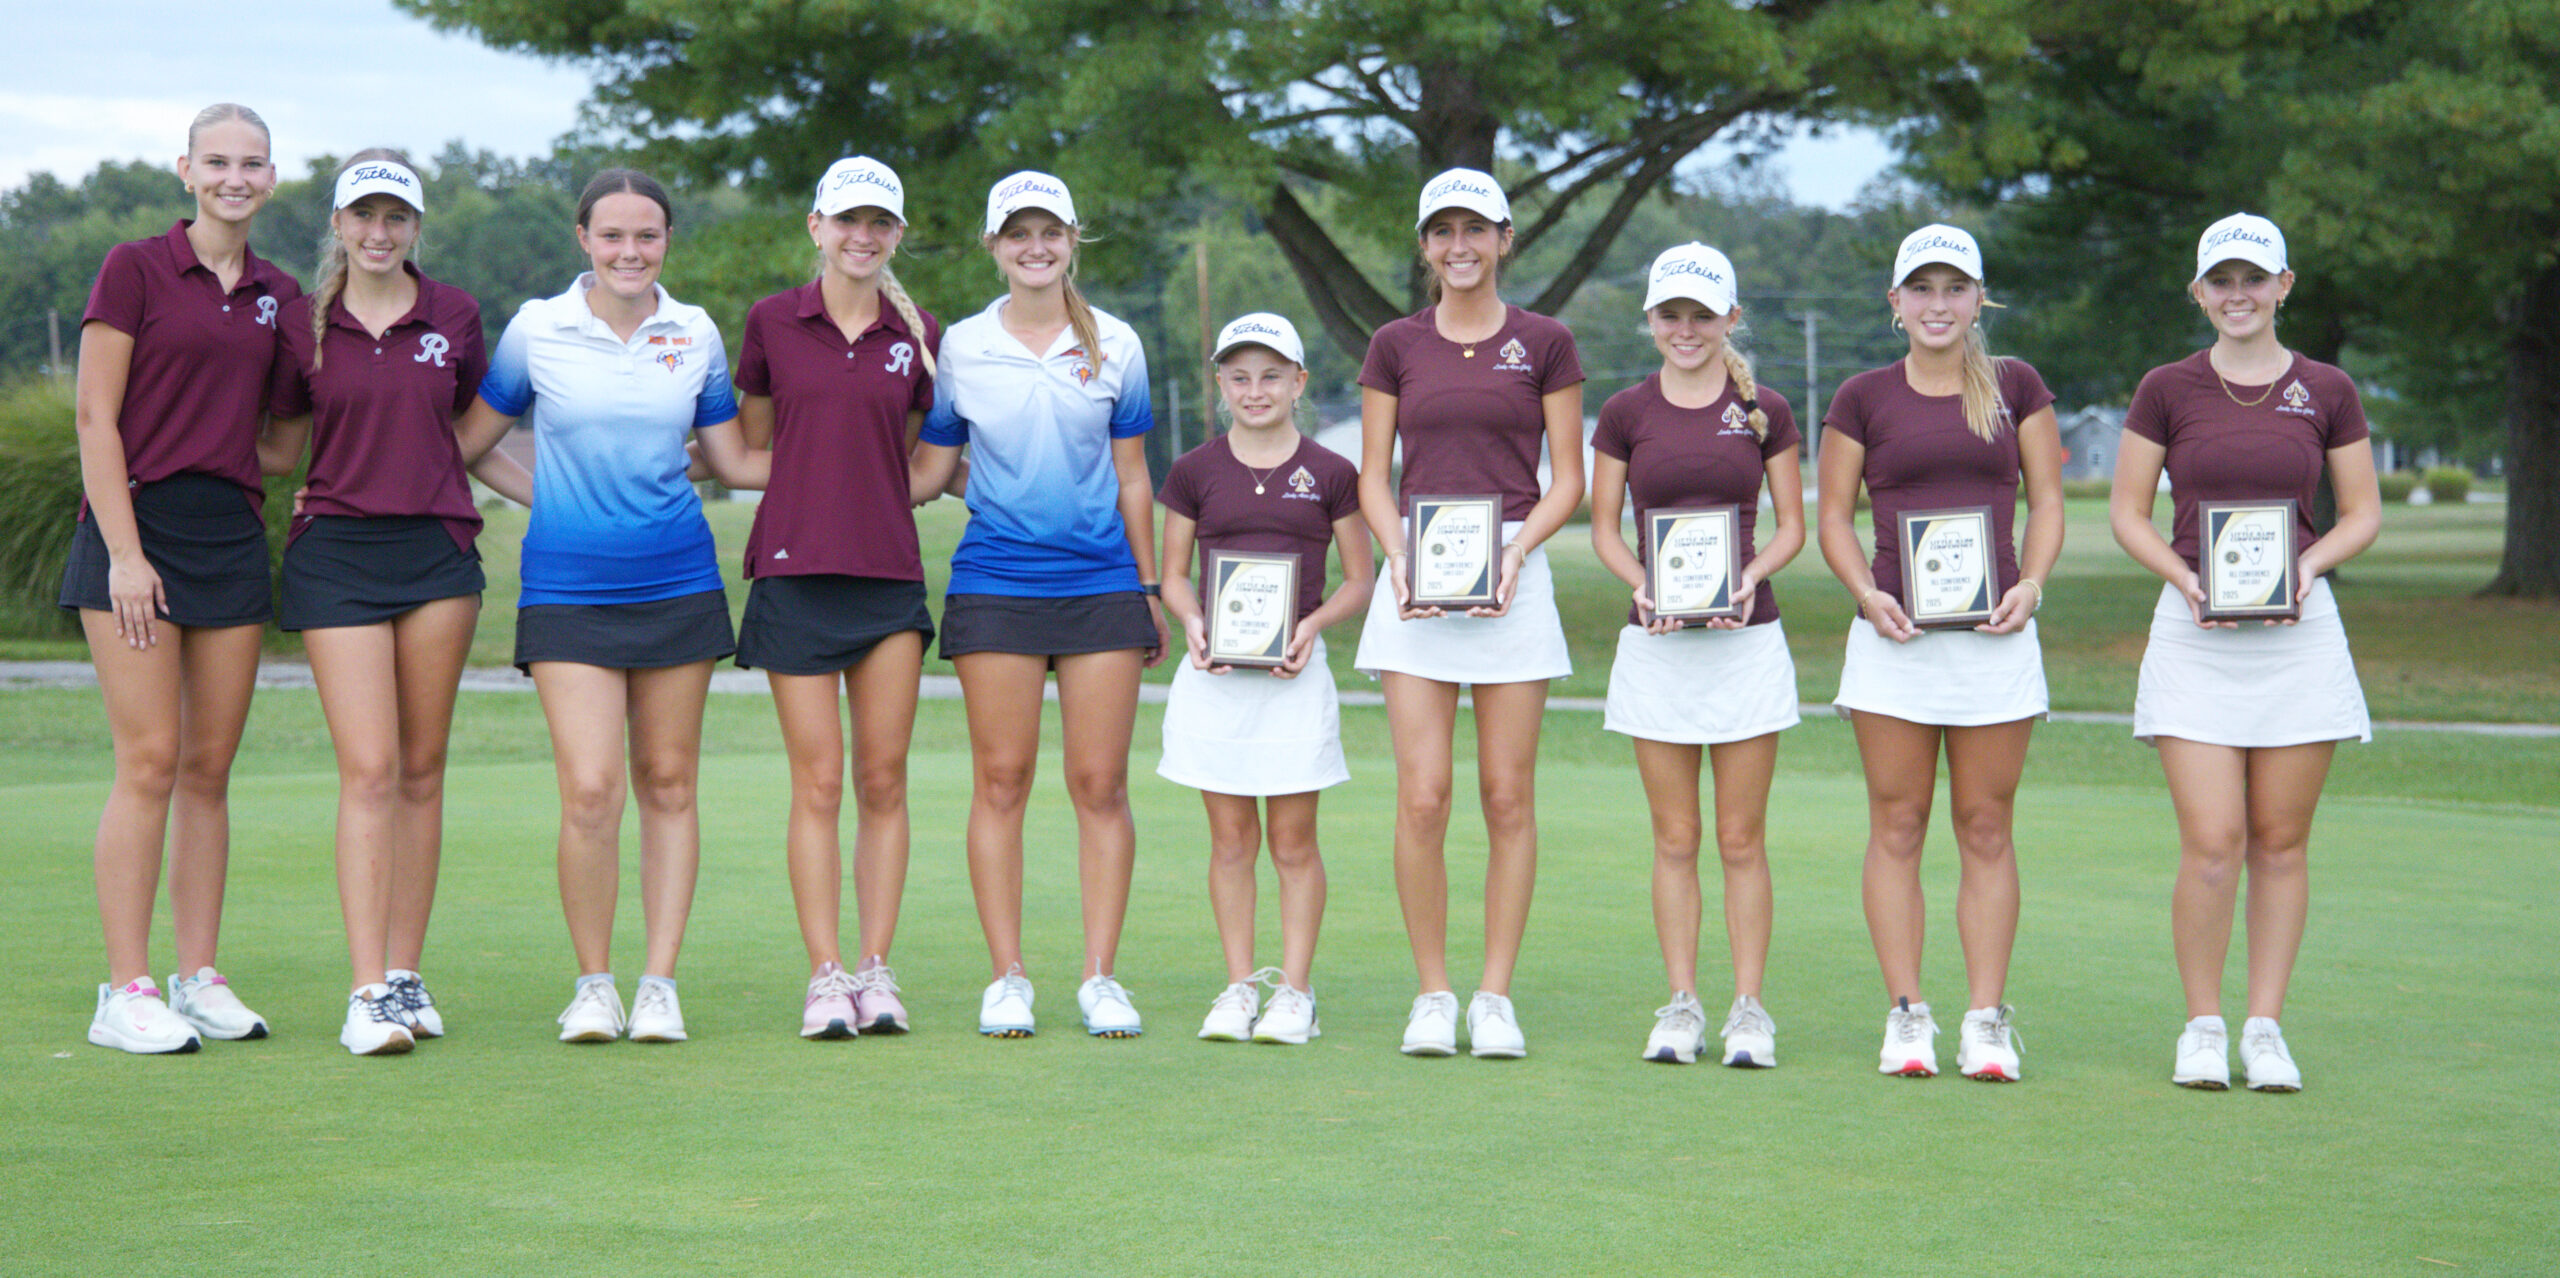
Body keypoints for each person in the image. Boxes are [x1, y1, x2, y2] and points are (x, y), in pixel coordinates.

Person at [454, 168, 766, 1045]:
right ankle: (594, 985)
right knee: (591, 790)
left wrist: (858, 470)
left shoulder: (695, 333)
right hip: (568, 587)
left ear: (666, 241)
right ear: (583, 239)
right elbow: (470, 444)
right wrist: (549, 493)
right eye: (614, 236)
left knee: (668, 783)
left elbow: (728, 458)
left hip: (678, 582)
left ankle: (659, 984)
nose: (631, 251)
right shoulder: (537, 328)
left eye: (648, 236)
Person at [2110, 213, 2379, 1093]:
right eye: (2221, 282)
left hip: (2299, 636)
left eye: (2253, 279)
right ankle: (2203, 1026)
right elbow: (2128, 515)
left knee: (2281, 842)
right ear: (2199, 293)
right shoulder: (2166, 388)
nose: (2238, 296)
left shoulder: (2327, 389)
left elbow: (2362, 514)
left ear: (2283, 286)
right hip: (2195, 634)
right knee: (2213, 841)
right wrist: (2187, 580)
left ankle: (2265, 1029)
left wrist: (2309, 566)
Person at [910, 171, 1165, 1039]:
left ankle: (1100, 977)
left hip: (1101, 584)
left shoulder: (1117, 344)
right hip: (996, 584)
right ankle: (1007, 977)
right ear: (994, 245)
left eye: (1049, 231)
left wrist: (1149, 586)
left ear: (1072, 239)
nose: (1035, 247)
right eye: (1017, 233)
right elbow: (935, 467)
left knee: (1100, 784)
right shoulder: (963, 347)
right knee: (1002, 780)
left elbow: (1134, 477)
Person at [69, 104, 297, 1054]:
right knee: (152, 761)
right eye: (218, 162)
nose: (234, 178)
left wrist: (228, 451)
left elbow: (284, 437)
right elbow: (95, 416)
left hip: (230, 537)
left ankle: (197, 977)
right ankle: (124, 990)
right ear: (186, 170)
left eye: (251, 163)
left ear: (271, 178)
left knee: (208, 770)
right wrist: (126, 555)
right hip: (136, 532)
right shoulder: (134, 267)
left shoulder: (280, 294)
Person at [1816, 223, 2062, 1082]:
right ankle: (1908, 1014)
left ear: (1978, 298)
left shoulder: (2017, 387)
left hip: (1996, 641)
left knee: (1986, 827)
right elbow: (1832, 516)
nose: (1938, 304)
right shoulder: (1862, 397)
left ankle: (1985, 1020)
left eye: (1955, 288)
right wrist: (1865, 592)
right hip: (1896, 640)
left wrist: (2033, 584)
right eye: (1921, 288)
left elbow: (2047, 501)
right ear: (1896, 301)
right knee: (1898, 823)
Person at [264, 151, 492, 1055]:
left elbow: (465, 430)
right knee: (369, 769)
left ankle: (404, 975)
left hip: (437, 550)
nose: (379, 232)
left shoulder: (455, 315)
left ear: (416, 228)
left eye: (396, 217)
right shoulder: (301, 323)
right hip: (337, 555)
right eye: (363, 215)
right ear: (338, 224)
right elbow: (280, 443)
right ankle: (365, 992)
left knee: (422, 770)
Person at [1353, 168, 1585, 1059]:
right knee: (1423, 797)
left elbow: (1568, 478)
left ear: (1504, 239)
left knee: (1506, 796)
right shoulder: (1394, 345)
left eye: (1476, 230)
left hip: (1513, 581)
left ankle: (1494, 996)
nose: (1460, 246)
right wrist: (1399, 555)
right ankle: (1433, 994)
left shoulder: (1545, 342)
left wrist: (1519, 550)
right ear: (1425, 246)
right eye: (1443, 231)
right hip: (1416, 582)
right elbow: (1375, 477)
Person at [731, 157, 941, 1040]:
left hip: (887, 576)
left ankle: (876, 968)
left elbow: (917, 457)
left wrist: (873, 496)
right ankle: (826, 975)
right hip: (794, 575)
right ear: (817, 226)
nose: (862, 236)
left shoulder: (920, 335)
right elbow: (756, 445)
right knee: (817, 782)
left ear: (896, 234)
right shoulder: (772, 321)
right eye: (847, 220)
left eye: (879, 222)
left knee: (882, 780)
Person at [1589, 244, 1806, 1067]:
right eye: (1671, 314)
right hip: (1657, 646)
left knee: (1741, 839)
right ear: (1651, 320)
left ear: (1730, 319)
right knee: (1675, 838)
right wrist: (1642, 584)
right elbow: (1605, 529)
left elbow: (1791, 526)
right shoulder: (1624, 413)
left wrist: (1748, 577)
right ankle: (1682, 1004)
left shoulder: (1764, 410)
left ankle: (1749, 1009)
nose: (1686, 329)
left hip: (1745, 644)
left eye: (1702, 315)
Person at [1157, 313, 1374, 1045]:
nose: (1256, 390)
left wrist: (1312, 625)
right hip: (1214, 679)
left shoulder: (1332, 472)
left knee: (1292, 841)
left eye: (1272, 376)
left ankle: (1295, 992)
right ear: (1220, 383)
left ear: (1299, 382)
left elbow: (1360, 580)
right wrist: (1191, 620)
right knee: (1229, 842)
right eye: (1240, 376)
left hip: (1294, 678)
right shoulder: (1194, 470)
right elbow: (1173, 574)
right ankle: (1239, 985)